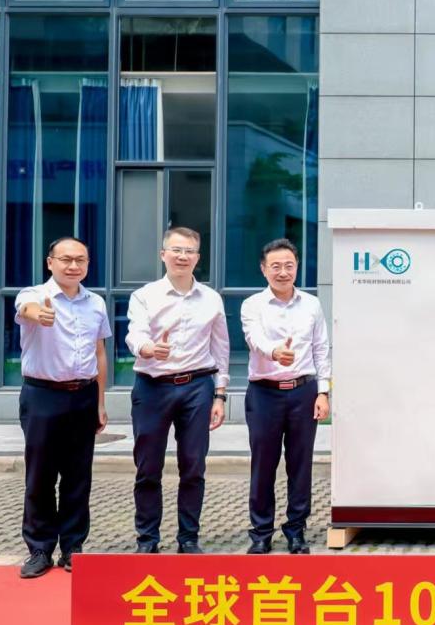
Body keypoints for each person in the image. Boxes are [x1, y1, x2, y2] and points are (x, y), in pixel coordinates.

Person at [125, 227, 230, 554]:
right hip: (152, 387)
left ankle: (188, 538)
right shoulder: (145, 295)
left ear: (197, 258)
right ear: (163, 254)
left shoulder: (211, 299)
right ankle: (147, 540)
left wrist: (220, 395)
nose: (182, 256)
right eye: (176, 250)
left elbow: (221, 349)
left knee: (194, 466)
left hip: (197, 388)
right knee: (148, 468)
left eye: (189, 251)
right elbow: (135, 333)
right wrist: (147, 348)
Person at [13, 237, 110, 578]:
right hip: (43, 395)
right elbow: (26, 309)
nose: (73, 266)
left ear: (87, 264)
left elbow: (100, 353)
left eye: (80, 260)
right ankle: (39, 548)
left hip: (83, 395)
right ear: (50, 262)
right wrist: (38, 313)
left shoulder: (96, 303)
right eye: (66, 259)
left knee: (78, 475)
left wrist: (100, 402)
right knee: (40, 474)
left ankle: (72, 547)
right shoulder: (34, 294)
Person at [240, 238, 331, 554]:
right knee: (263, 465)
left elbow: (321, 349)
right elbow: (253, 337)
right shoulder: (252, 305)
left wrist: (323, 392)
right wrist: (274, 352)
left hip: (303, 392)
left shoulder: (312, 304)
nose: (283, 272)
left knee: (300, 464)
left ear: (297, 267)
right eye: (276, 266)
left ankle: (296, 530)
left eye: (289, 266)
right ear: (263, 269)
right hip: (264, 394)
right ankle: (261, 532)